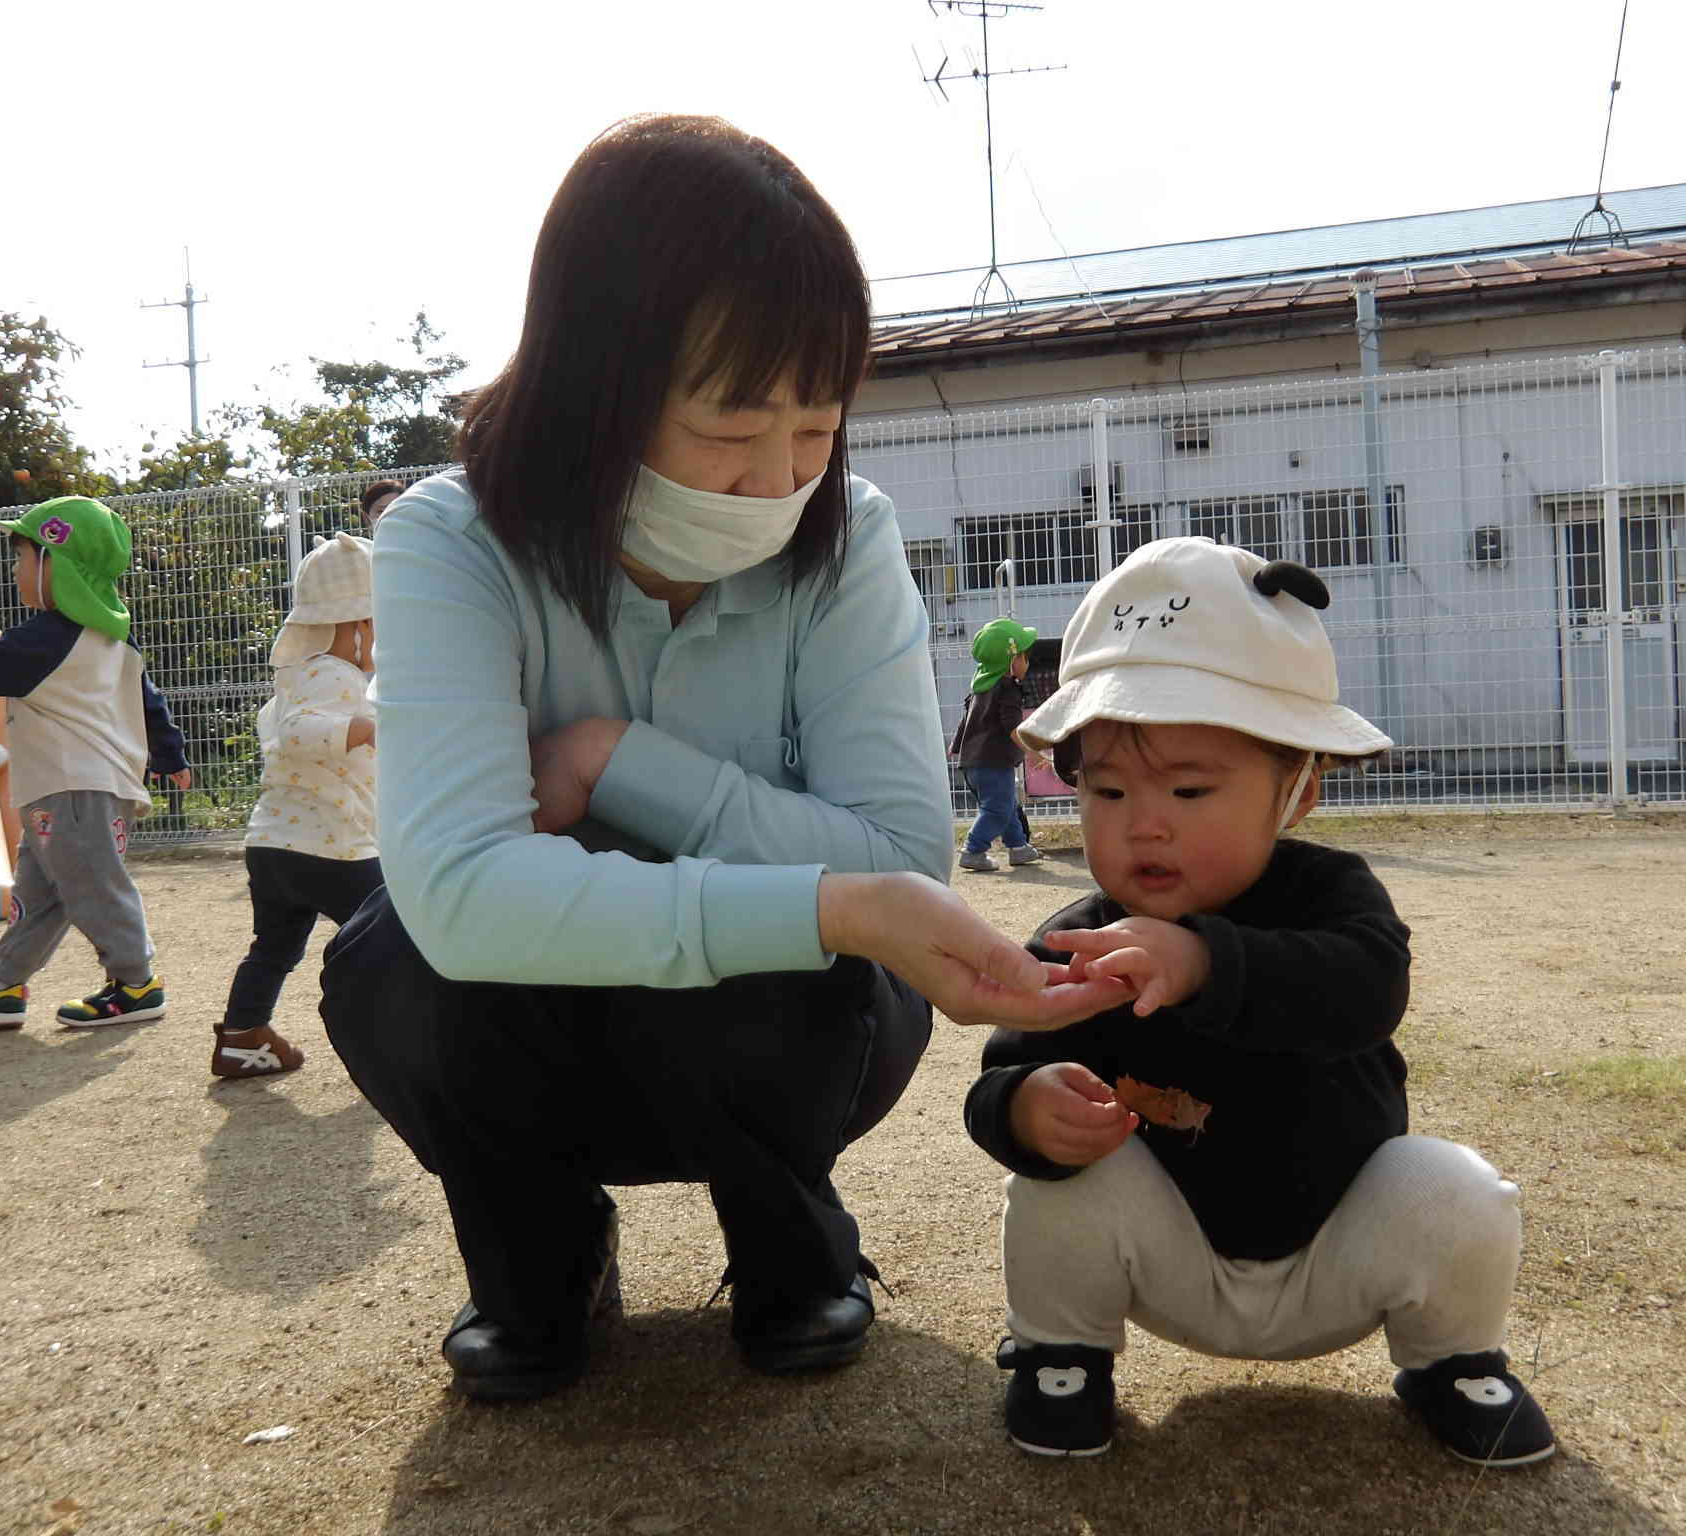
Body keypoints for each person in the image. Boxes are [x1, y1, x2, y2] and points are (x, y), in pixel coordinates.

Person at [318, 114, 1117, 1405]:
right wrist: (824, 893)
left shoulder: (847, 536)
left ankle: (792, 1244)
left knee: (782, 962)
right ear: (596, 382)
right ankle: (541, 1256)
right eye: (731, 425)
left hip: (780, 1043)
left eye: (816, 426)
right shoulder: (450, 541)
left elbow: (903, 859)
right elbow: (462, 894)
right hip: (527, 1029)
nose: (776, 479)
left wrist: (616, 760)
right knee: (393, 963)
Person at [964, 536, 1558, 1468]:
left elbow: (1367, 989)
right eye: (1106, 788)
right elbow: (1004, 1070)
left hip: (1338, 1255)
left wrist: (1205, 962)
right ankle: (1060, 1353)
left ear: (1299, 792)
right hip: (1170, 1264)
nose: (1143, 822)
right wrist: (1023, 1112)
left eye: (1192, 789)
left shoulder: (1333, 896)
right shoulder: (1082, 934)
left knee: (1455, 1188)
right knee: (1056, 1193)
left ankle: (1452, 1360)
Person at [0, 497, 192, 1029]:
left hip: (75, 790)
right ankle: (3, 986)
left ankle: (137, 983)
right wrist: (169, 751)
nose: (14, 571)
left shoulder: (47, 641)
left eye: (22, 558)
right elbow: (145, 698)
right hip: (70, 789)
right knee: (38, 895)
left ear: (56, 565)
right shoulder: (113, 636)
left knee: (92, 885)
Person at [210, 532, 382, 1078]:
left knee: (275, 946)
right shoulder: (332, 676)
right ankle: (390, 1041)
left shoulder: (295, 678)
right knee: (388, 938)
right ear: (355, 627)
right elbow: (298, 734)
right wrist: (364, 728)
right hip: (331, 845)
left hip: (274, 846)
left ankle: (242, 1034)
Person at [953, 616, 1045, 871]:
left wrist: (956, 747)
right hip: (994, 761)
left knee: (1006, 804)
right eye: (1025, 656)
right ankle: (973, 850)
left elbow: (966, 720)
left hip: (973, 761)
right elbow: (1011, 726)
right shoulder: (1008, 688)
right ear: (1012, 661)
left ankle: (1018, 847)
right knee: (997, 809)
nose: (1027, 662)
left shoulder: (980, 687)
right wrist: (1032, 751)